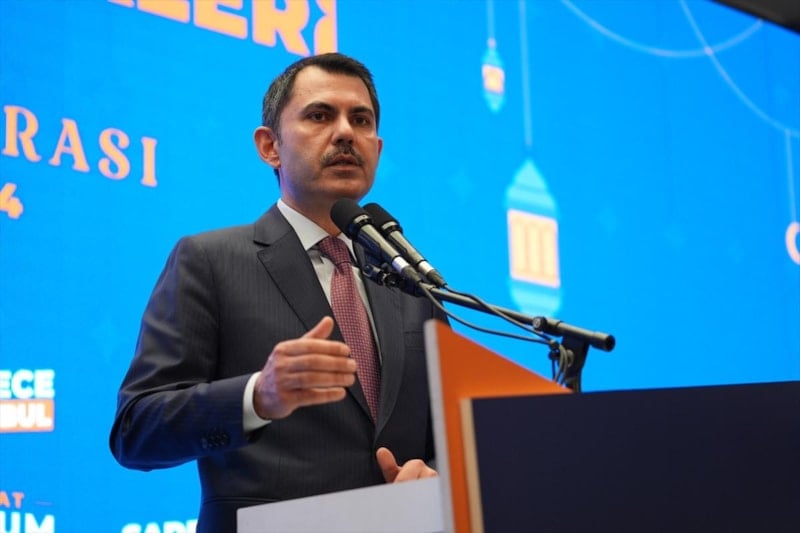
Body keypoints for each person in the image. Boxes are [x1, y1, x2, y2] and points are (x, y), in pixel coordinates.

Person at [109, 53, 446, 532]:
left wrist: (434, 475)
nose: (345, 132)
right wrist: (257, 396)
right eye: (320, 115)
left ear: (377, 146)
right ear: (270, 146)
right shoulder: (210, 261)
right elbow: (136, 431)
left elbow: (446, 439)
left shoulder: (411, 283)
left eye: (361, 120)